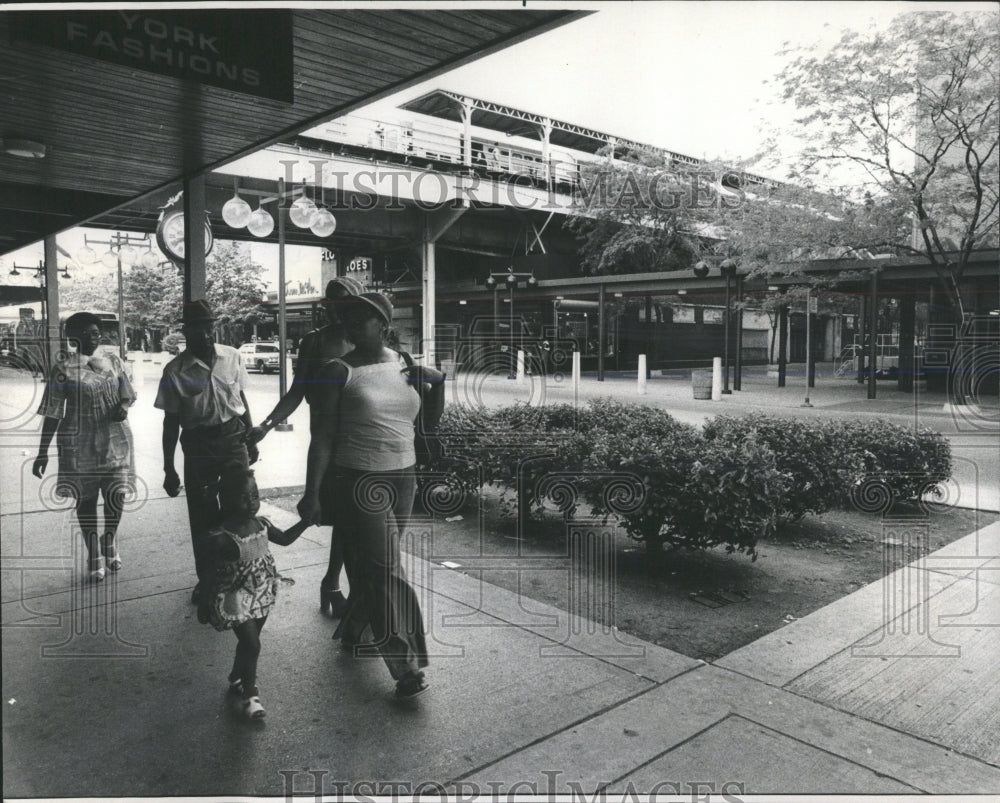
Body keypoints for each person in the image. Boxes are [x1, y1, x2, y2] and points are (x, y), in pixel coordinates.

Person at [298, 292, 444, 699]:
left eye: (360, 318)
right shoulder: (336, 370)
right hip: (359, 480)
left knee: (376, 567)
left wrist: (439, 387)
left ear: (383, 324)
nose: (349, 325)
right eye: (346, 320)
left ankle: (353, 632)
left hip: (404, 475)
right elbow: (322, 437)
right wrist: (312, 493)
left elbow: (426, 422)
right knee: (386, 569)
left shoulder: (404, 363)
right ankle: (406, 666)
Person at [247, 276, 366, 617]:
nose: (335, 308)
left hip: (360, 437)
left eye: (343, 301)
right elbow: (297, 391)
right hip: (327, 441)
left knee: (352, 519)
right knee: (339, 516)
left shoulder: (365, 341)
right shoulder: (315, 342)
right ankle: (333, 586)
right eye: (330, 302)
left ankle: (334, 585)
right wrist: (267, 425)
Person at [155, 300, 258, 604]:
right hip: (198, 445)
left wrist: (251, 439)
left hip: (233, 439)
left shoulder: (233, 357)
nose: (205, 331)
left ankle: (238, 576)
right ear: (185, 329)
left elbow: (241, 400)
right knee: (202, 515)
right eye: (197, 325)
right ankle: (209, 581)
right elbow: (170, 422)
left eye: (208, 324)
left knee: (239, 510)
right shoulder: (175, 370)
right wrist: (168, 468)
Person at [197, 467, 310, 719]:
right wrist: (204, 603)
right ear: (226, 500)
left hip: (261, 593)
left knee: (249, 644)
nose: (252, 503)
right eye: (244, 497)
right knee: (252, 644)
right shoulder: (222, 536)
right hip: (236, 599)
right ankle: (251, 695)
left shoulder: (261, 524)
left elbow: (285, 539)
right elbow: (208, 573)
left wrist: (306, 522)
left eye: (255, 495)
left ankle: (236, 676)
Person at [32, 312, 136, 581]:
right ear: (73, 338)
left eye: (96, 332)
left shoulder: (113, 361)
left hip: (116, 438)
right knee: (87, 500)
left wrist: (123, 407)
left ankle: (109, 539)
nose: (94, 337)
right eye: (87, 333)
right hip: (79, 442)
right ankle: (93, 552)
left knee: (117, 494)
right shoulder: (63, 369)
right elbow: (53, 411)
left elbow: (128, 393)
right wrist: (42, 451)